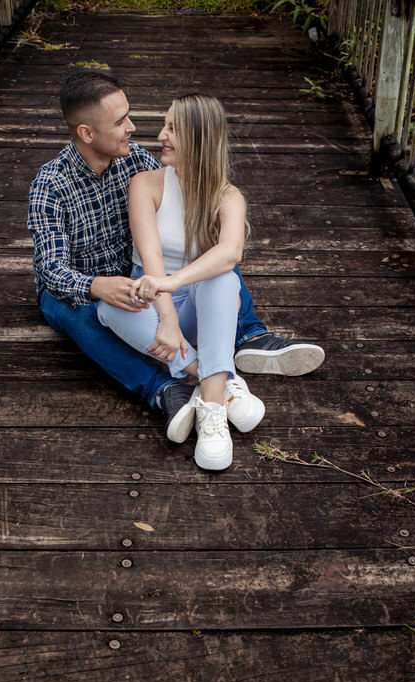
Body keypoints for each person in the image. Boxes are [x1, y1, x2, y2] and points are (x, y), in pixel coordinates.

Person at [27, 72, 324, 443]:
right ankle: (172, 386)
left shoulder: (134, 159)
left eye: (128, 116)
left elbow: (176, 211)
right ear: (86, 133)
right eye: (120, 122)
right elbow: (51, 270)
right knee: (76, 311)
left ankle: (250, 334)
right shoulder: (51, 185)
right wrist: (97, 286)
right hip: (86, 288)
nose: (133, 127)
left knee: (212, 259)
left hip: (144, 277)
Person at [96, 94, 258, 470]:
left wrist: (174, 282)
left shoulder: (228, 196)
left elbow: (230, 252)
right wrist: (167, 316)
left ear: (199, 138)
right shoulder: (146, 184)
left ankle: (211, 413)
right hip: (154, 307)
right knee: (108, 307)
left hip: (200, 305)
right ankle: (218, 378)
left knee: (222, 280)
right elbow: (150, 257)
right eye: (164, 125)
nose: (161, 136)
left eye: (173, 129)